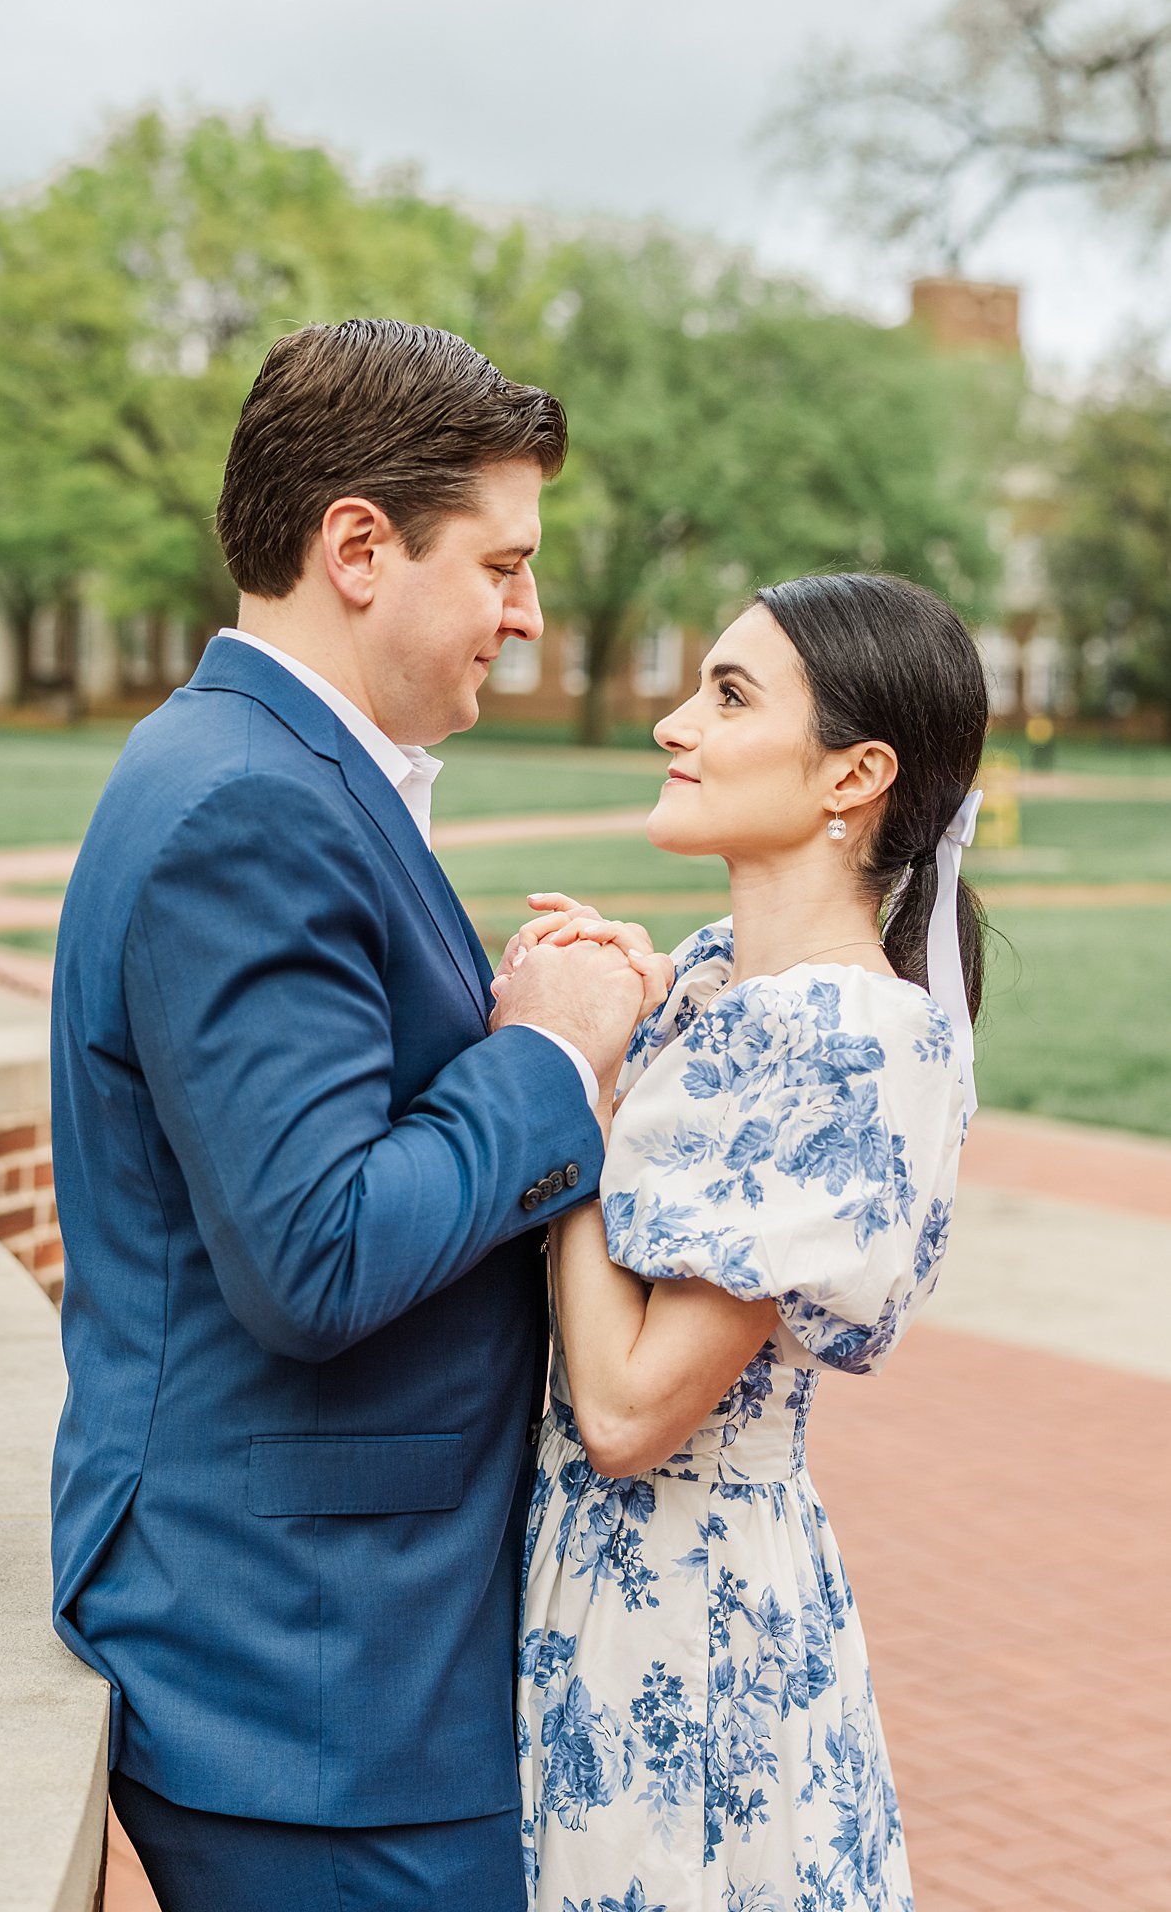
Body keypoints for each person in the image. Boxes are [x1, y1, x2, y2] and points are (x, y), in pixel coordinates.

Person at [49, 319, 669, 1912]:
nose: (527, 617)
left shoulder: (272, 766)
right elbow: (314, 1255)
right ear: (357, 548)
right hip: (313, 1670)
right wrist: (549, 1055)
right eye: (503, 565)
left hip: (338, 1639)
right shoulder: (250, 802)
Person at [510, 571, 988, 1912]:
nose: (675, 724)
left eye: (726, 696)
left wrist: (573, 1085)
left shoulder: (837, 1041)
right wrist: (633, 1017)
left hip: (679, 1603)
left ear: (854, 776)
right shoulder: (725, 981)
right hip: (599, 1579)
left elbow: (625, 1411)